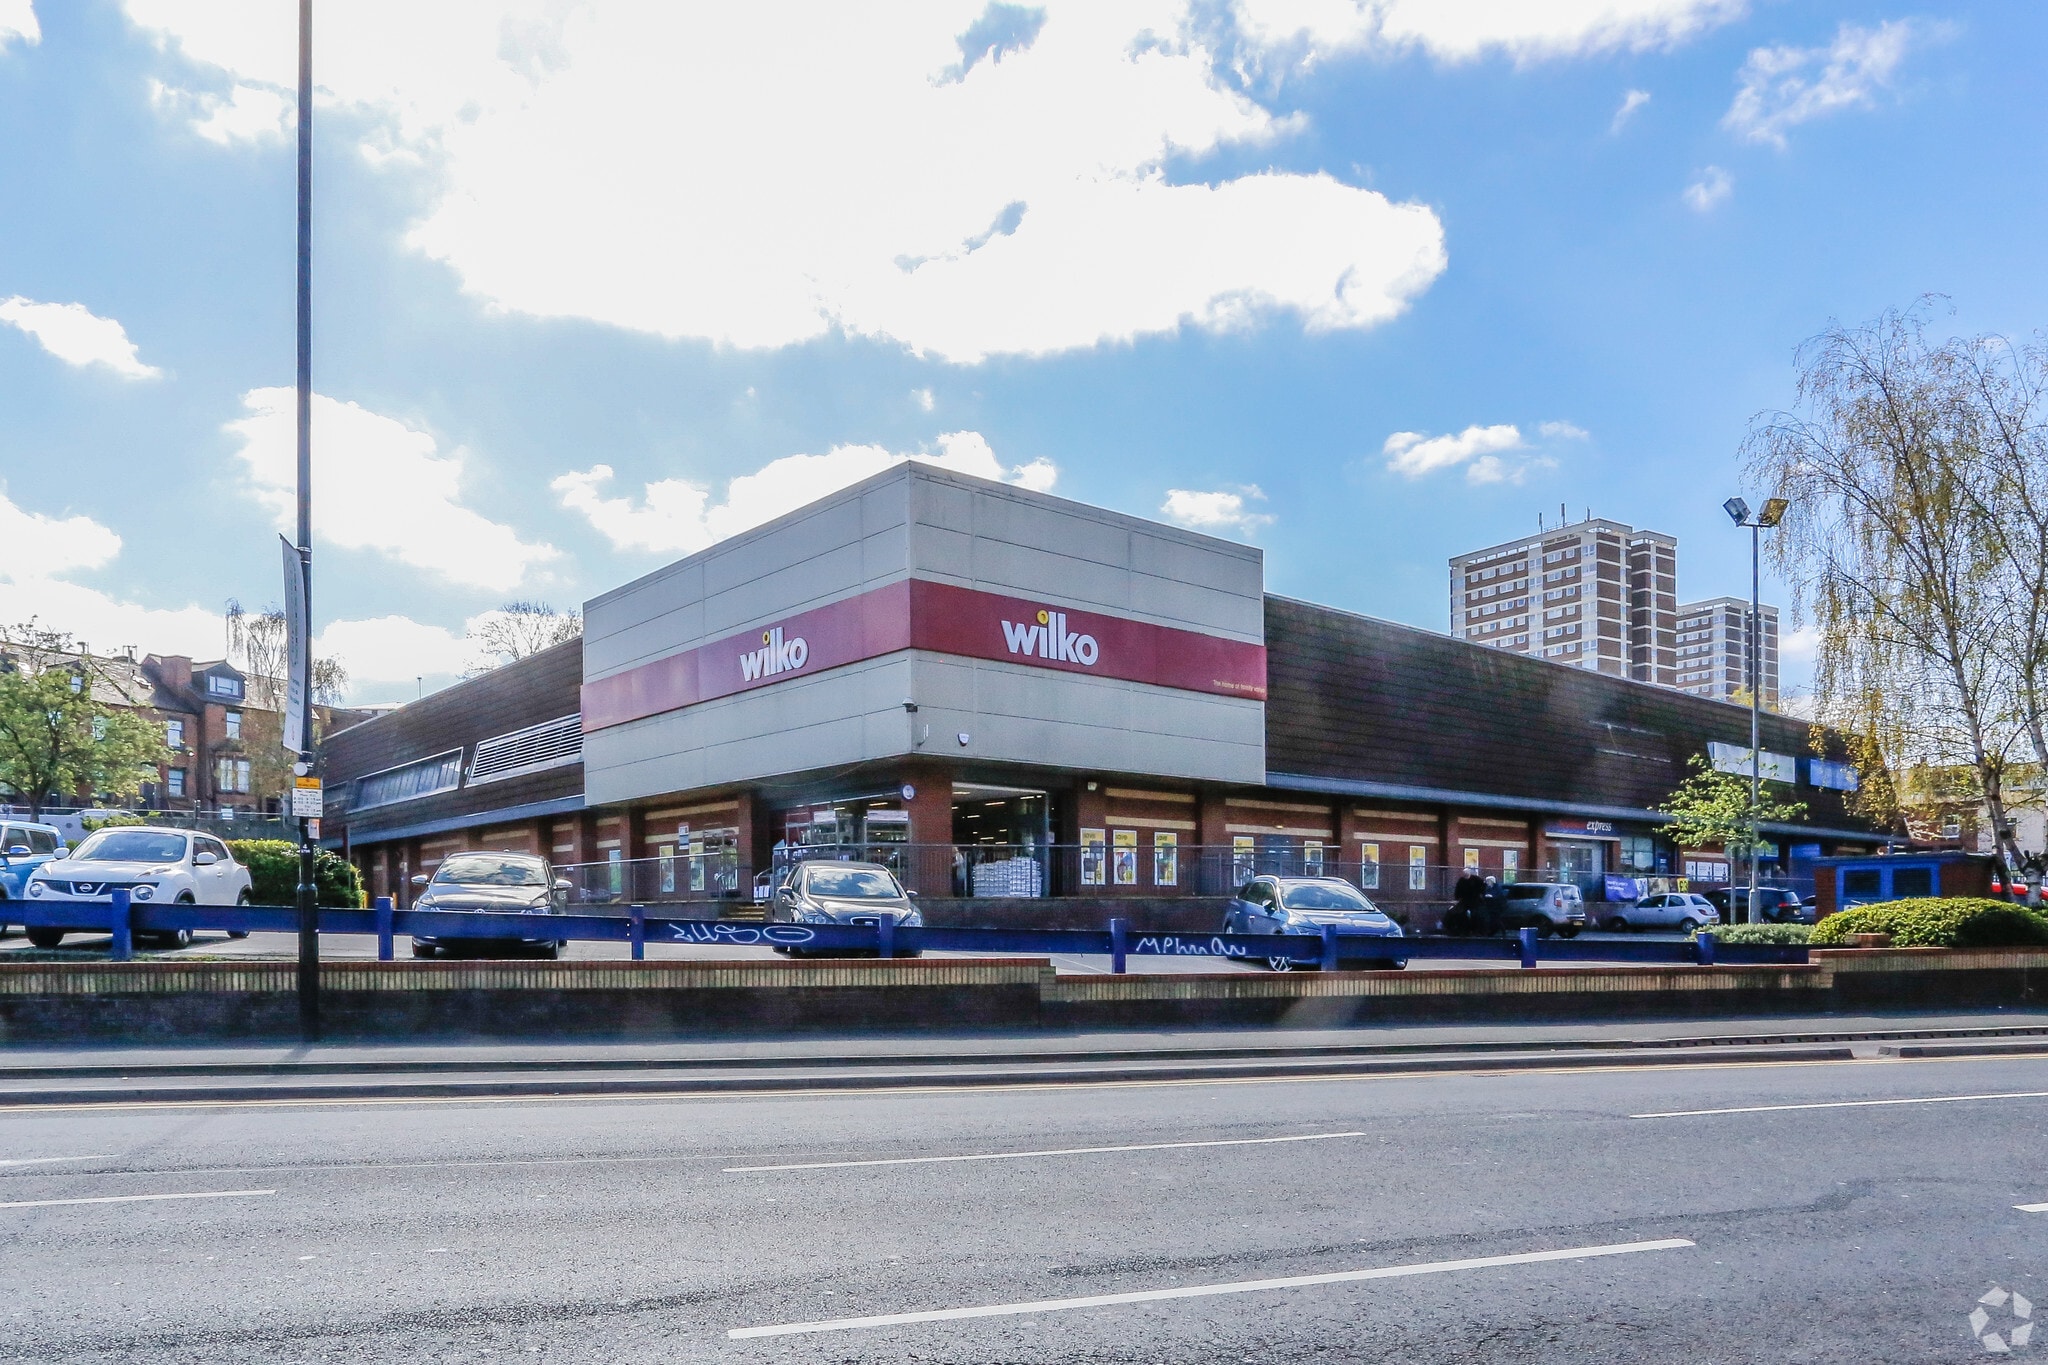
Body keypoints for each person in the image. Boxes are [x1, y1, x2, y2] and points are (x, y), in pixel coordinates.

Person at [1447, 866, 1488, 935]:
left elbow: (1483, 886)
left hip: (1475, 900)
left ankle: (1476, 930)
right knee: (1459, 913)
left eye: (1466, 873)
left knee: (1475, 914)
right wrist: (1457, 899)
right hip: (1465, 900)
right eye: (1464, 873)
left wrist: (1481, 894)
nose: (1465, 874)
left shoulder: (1476, 879)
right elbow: (1458, 890)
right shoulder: (1461, 881)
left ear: (1469, 873)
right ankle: (1463, 929)